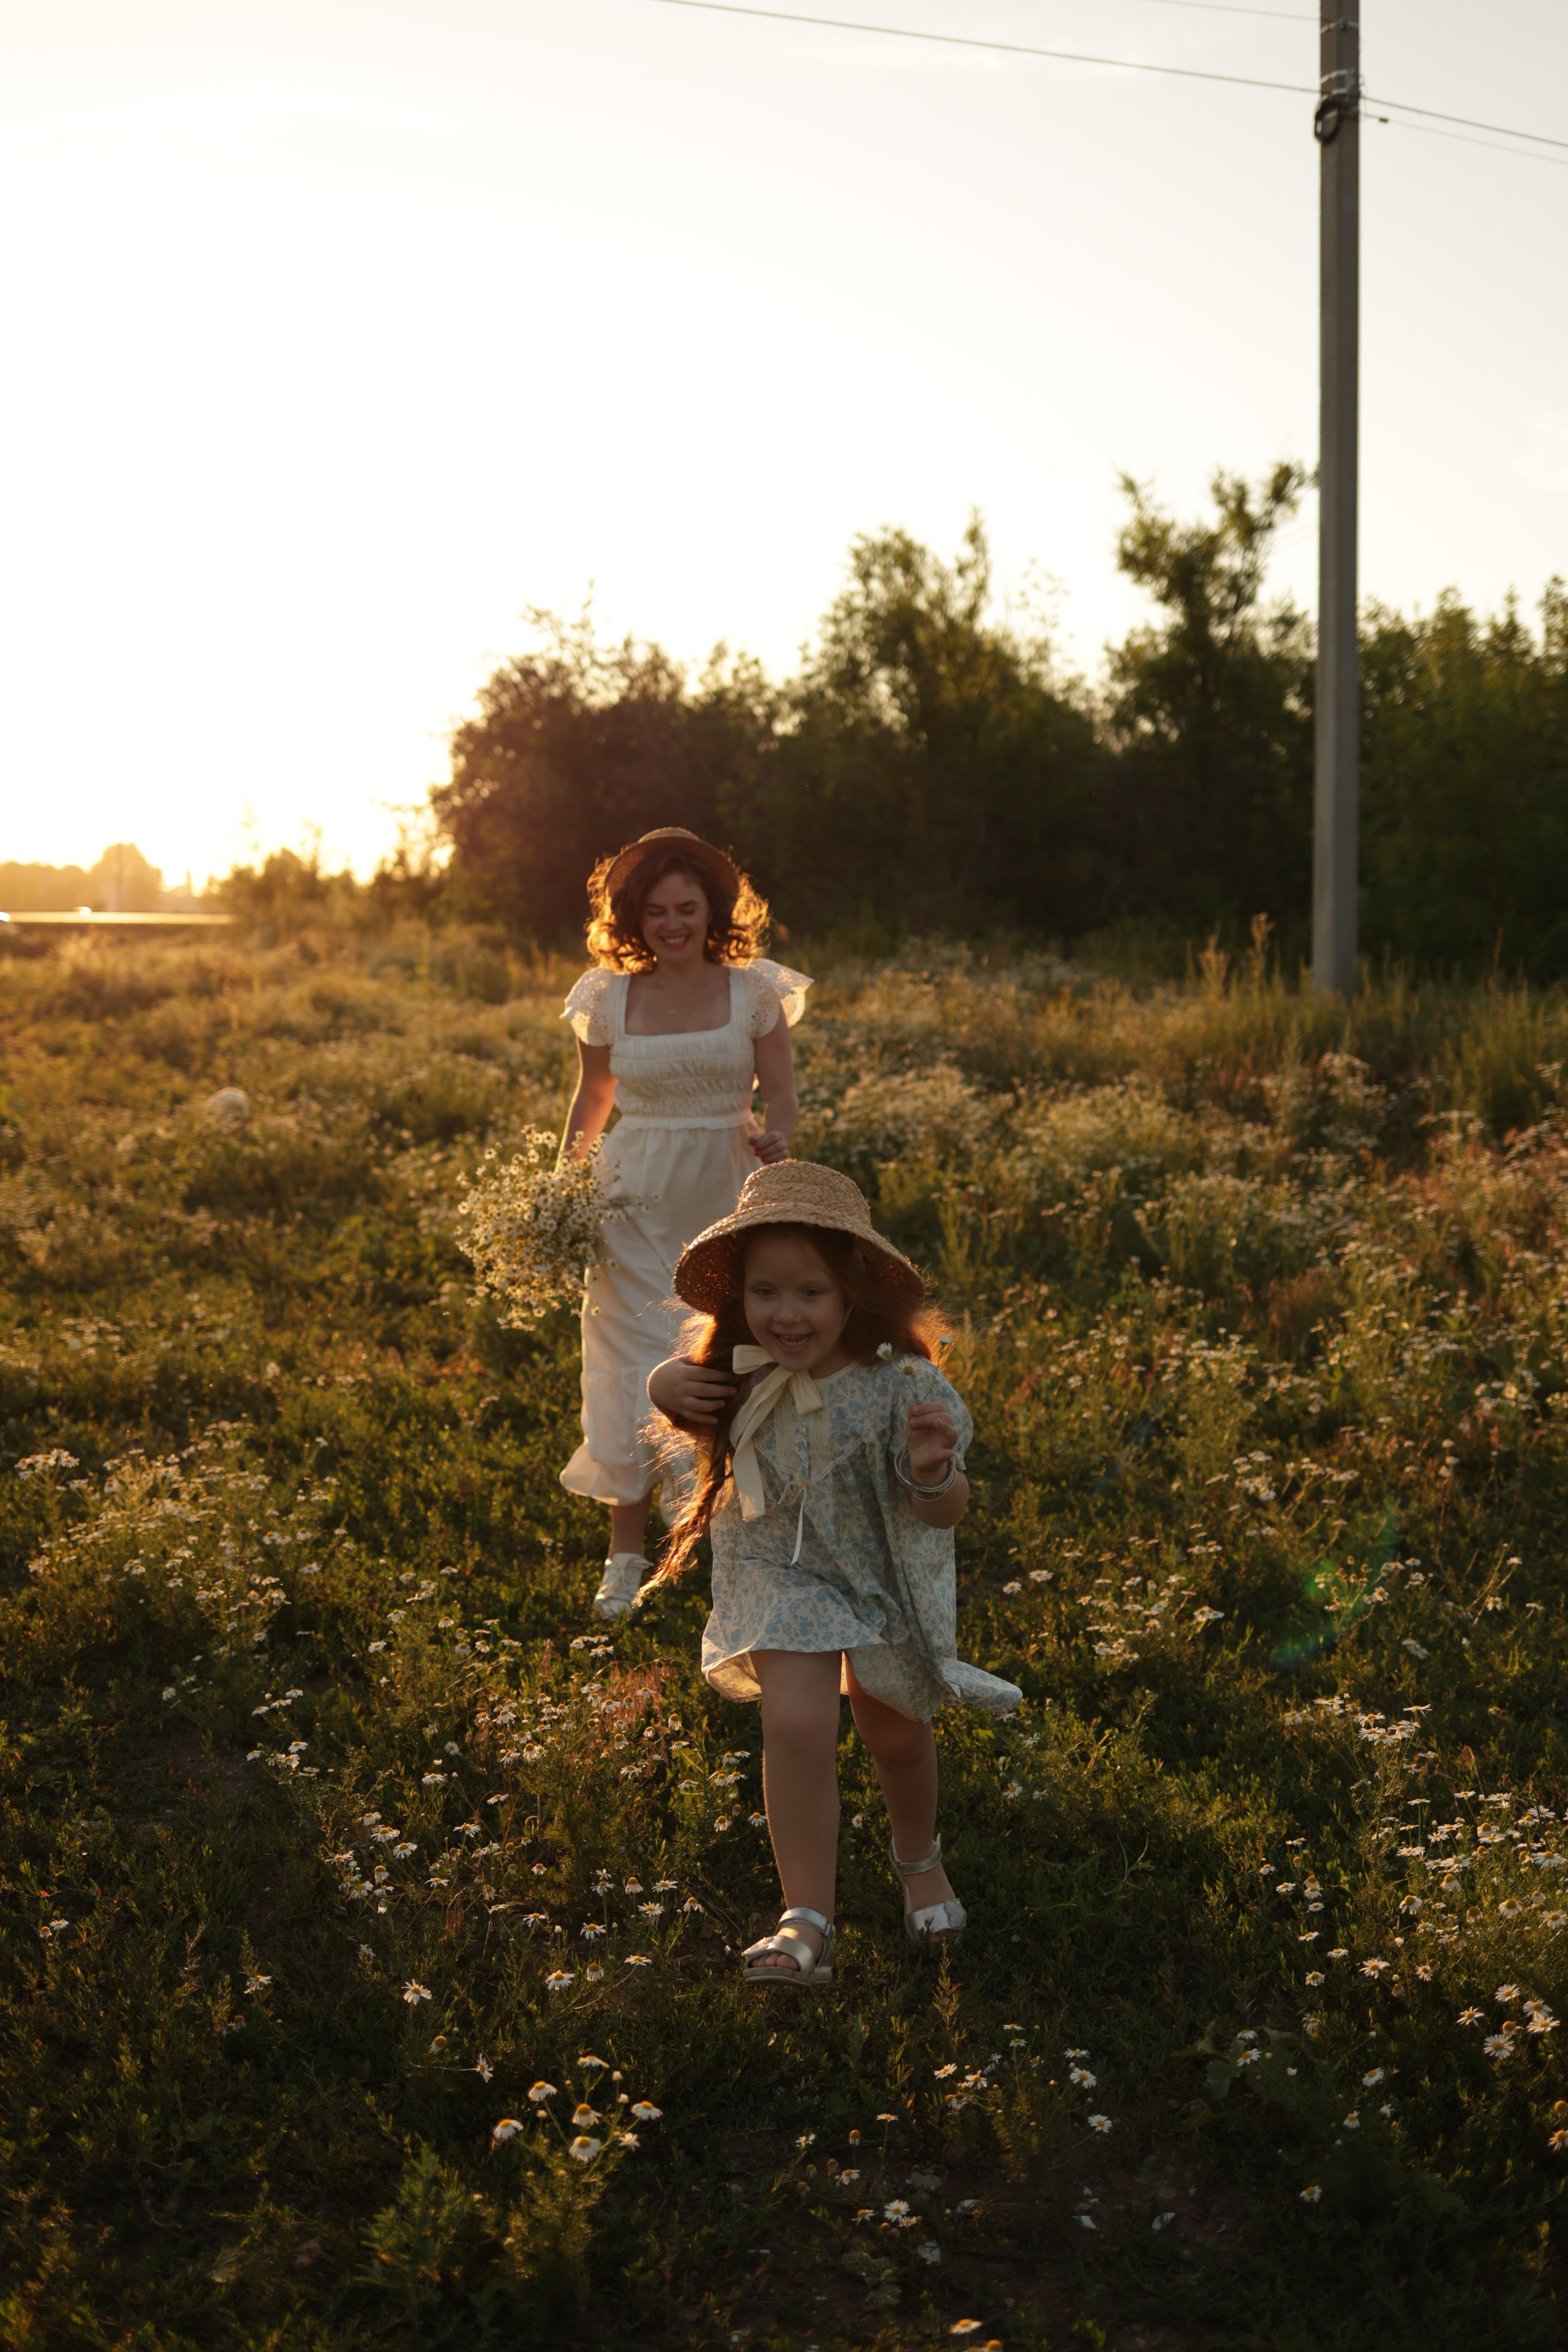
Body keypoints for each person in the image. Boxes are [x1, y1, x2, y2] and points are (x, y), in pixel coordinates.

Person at [646, 1160, 1019, 1987]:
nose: (786, 1313)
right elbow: (678, 1406)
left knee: (894, 1733)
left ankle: (918, 1857)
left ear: (851, 1294)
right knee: (799, 1725)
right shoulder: (736, 1372)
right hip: (780, 1577)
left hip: (882, 1580)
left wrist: (931, 1470)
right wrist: (663, 1381)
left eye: (809, 1293)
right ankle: (804, 1915)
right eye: (766, 1291)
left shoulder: (902, 1386)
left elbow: (943, 1514)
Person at [558, 827, 812, 1623]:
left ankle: (725, 1534)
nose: (673, 924)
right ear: (635, 918)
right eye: (657, 911)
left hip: (728, 1192)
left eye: (688, 909)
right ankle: (626, 1554)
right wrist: (562, 1185)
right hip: (630, 1198)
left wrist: (779, 1140)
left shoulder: (754, 991)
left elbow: (782, 1093)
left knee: (728, 1361)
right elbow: (594, 1097)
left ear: (714, 912)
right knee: (628, 1364)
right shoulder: (608, 996)